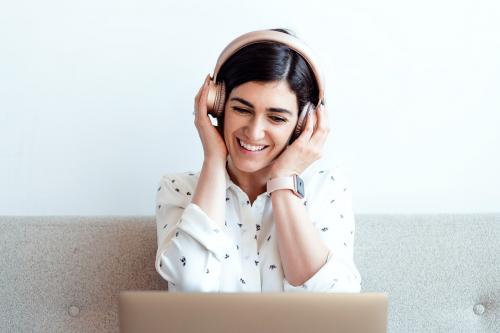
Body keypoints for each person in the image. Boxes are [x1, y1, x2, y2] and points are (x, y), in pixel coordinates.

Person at [155, 28, 362, 292]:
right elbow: (190, 284)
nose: (253, 132)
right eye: (241, 109)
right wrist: (214, 158)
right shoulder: (178, 189)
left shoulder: (328, 188)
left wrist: (283, 180)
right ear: (217, 106)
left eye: (276, 118)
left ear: (302, 125)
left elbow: (334, 302)